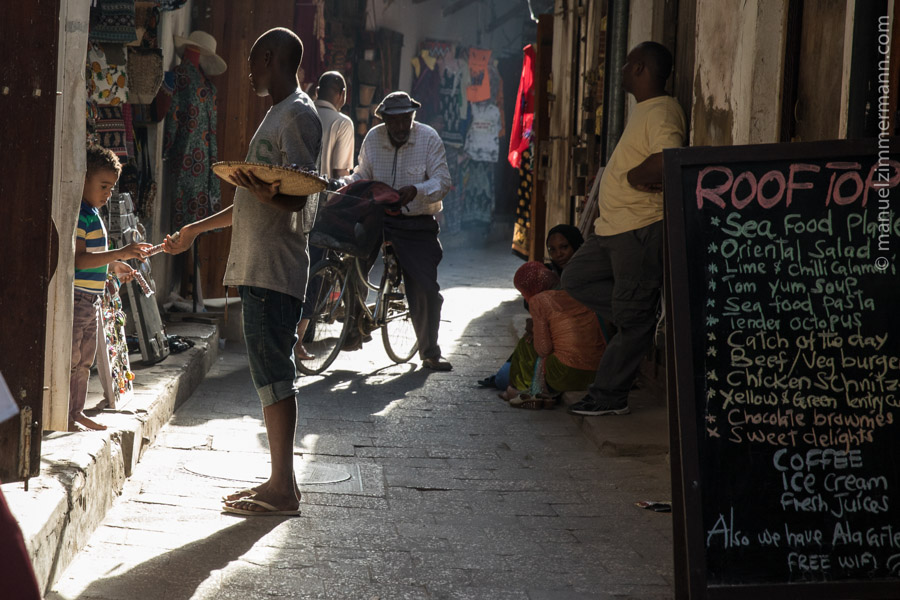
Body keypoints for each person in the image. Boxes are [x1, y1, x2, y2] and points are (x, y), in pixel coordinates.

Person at [164, 27, 322, 516]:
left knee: (276, 375)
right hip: (259, 266)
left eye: (253, 61)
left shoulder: (297, 113)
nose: (249, 71)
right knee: (269, 375)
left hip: (274, 268)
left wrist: (269, 193)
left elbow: (299, 191)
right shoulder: (278, 114)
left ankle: (283, 489)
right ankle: (279, 482)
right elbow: (251, 198)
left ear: (270, 58)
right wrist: (196, 229)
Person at [562, 41, 686, 416]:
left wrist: (634, 175)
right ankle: (639, 315)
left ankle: (609, 396)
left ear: (640, 68)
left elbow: (668, 158)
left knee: (632, 319)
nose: (621, 69)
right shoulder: (644, 111)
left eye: (627, 62)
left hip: (638, 230)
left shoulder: (662, 111)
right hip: (613, 230)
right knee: (575, 279)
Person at [338, 91, 453, 371]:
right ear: (385, 119)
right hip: (377, 216)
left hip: (415, 220)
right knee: (350, 260)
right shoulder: (374, 138)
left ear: (413, 117)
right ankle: (354, 325)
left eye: (406, 121)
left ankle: (429, 351)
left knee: (424, 285)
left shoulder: (428, 138)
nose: (401, 127)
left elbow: (443, 181)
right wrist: (344, 184)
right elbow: (362, 174)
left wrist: (417, 191)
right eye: (395, 122)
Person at [71, 145, 150, 433]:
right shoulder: (82, 215)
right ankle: (68, 413)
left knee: (84, 360)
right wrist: (121, 253)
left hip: (90, 299)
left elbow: (92, 259)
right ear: (83, 180)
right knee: (74, 359)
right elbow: (79, 260)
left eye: (111, 188)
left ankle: (75, 412)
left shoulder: (93, 213)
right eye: (103, 186)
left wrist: (114, 266)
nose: (108, 193)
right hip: (79, 298)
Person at [295, 70, 355, 360]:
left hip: (293, 199)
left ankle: (290, 336)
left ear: (317, 91)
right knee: (314, 272)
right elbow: (342, 175)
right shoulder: (343, 123)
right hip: (322, 206)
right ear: (341, 94)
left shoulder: (301, 111)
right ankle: (298, 339)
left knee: (294, 265)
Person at [497, 262, 605, 405]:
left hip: (565, 374)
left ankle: (520, 389)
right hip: (599, 373)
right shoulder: (575, 290)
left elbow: (544, 349)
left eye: (523, 292)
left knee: (526, 344)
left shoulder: (539, 301)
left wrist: (535, 332)